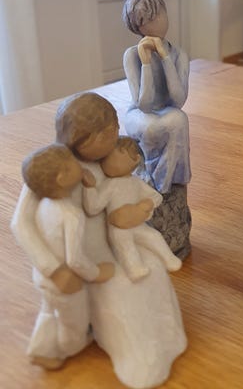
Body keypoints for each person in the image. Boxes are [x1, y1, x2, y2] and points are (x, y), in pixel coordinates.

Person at [55, 92, 187, 388]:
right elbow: (83, 212)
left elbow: (144, 194)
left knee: (155, 269)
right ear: (80, 138)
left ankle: (167, 338)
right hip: (89, 256)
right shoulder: (64, 171)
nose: (116, 135)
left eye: (114, 127)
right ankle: (139, 354)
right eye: (107, 133)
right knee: (126, 291)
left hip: (122, 236)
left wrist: (140, 210)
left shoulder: (110, 162)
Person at [13, 144, 114, 369]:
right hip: (67, 283)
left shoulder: (43, 205)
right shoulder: (72, 215)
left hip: (42, 278)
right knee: (74, 322)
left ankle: (40, 349)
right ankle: (69, 348)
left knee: (49, 311)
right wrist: (98, 272)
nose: (78, 164)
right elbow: (75, 260)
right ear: (62, 177)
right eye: (72, 163)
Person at [120, 0, 191, 194]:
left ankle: (164, 183)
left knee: (179, 119)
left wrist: (165, 58)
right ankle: (153, 181)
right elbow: (144, 104)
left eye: (160, 13)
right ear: (137, 26)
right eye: (149, 19)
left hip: (166, 111)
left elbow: (178, 101)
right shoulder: (132, 56)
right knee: (153, 127)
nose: (158, 21)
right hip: (140, 115)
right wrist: (146, 63)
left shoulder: (179, 55)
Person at [83, 136, 182, 282]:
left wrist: (147, 204)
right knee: (125, 246)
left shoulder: (136, 182)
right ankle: (134, 268)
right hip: (118, 228)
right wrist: (90, 188)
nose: (108, 162)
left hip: (137, 223)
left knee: (153, 236)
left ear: (135, 160)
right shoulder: (110, 185)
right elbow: (93, 207)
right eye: (105, 158)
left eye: (115, 157)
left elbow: (156, 197)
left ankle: (169, 259)